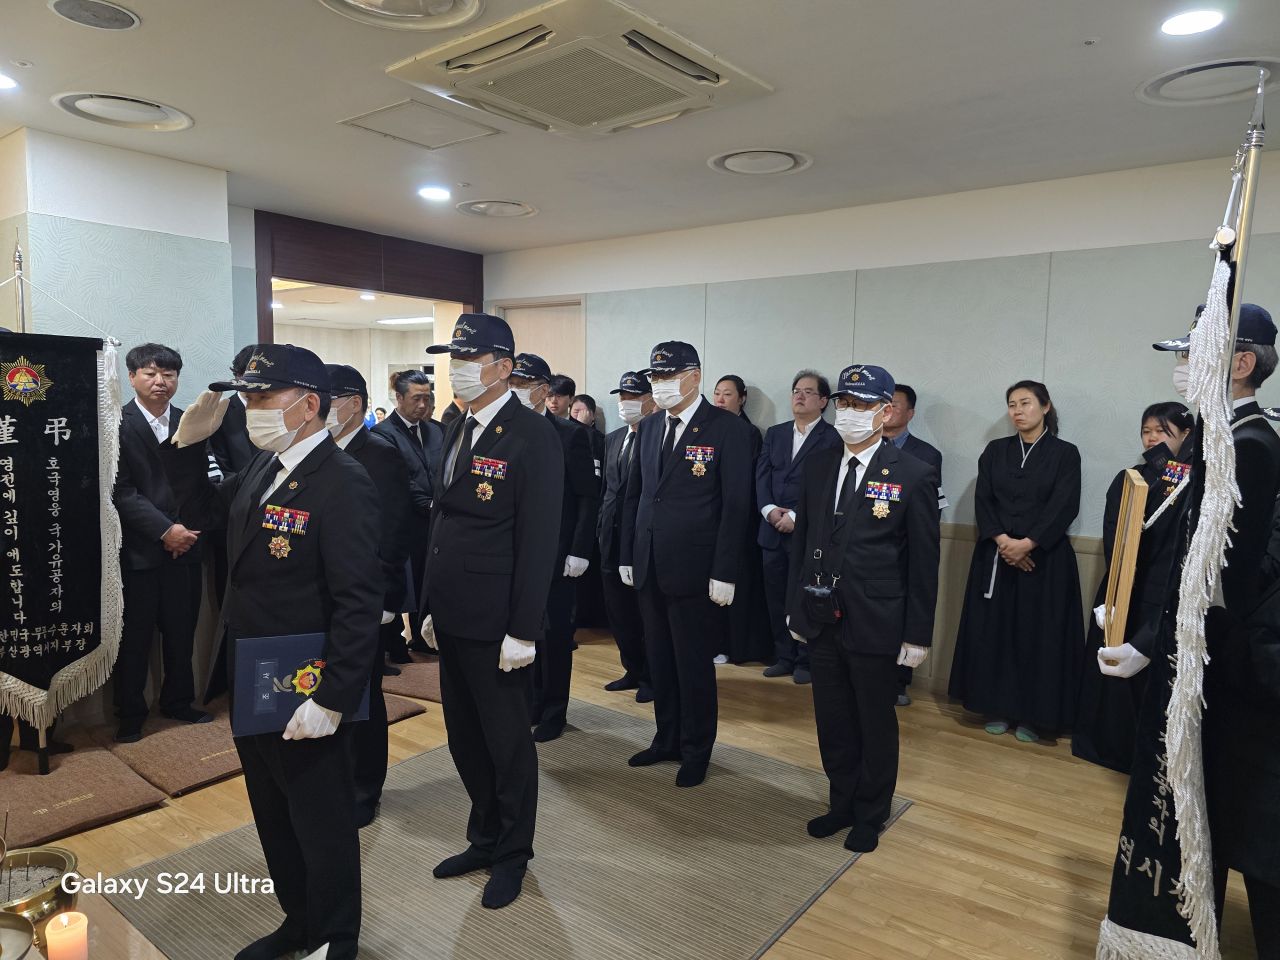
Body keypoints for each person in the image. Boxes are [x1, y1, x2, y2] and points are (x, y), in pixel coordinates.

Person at [165, 344, 382, 960]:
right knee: (273, 809)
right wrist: (186, 447)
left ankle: (336, 935)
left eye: (263, 396)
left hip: (307, 678)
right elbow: (201, 511)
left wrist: (333, 695)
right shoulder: (265, 466)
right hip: (253, 670)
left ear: (308, 405)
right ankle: (300, 919)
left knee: (320, 815)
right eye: (247, 396)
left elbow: (359, 601)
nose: (251, 408)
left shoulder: (344, 482)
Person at [418, 314, 563, 909]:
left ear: (503, 367)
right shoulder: (458, 424)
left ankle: (513, 853)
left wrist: (523, 629)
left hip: (499, 619)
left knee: (506, 743)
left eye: (468, 359)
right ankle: (483, 837)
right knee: (465, 737)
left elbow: (539, 538)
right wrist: (427, 603)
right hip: (452, 610)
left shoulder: (532, 434)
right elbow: (443, 518)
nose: (456, 369)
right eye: (452, 359)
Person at [1152, 304, 1280, 955]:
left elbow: (1229, 579)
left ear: (1241, 362)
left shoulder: (1250, 447)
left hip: (1240, 673)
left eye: (1194, 354)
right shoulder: (1218, 436)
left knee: (1249, 829)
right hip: (1217, 665)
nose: (1184, 367)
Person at [787, 364, 939, 853]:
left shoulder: (913, 473)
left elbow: (923, 562)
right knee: (832, 717)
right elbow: (803, 543)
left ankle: (871, 812)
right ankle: (841, 802)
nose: (850, 413)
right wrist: (794, 608)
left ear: (886, 411)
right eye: (844, 404)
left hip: (877, 619)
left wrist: (917, 634)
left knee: (873, 720)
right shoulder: (819, 465)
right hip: (820, 614)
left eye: (862, 405)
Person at [619, 342, 753, 788]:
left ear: (694, 377)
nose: (660, 385)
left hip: (696, 568)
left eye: (668, 376)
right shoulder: (649, 426)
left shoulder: (726, 429)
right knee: (659, 660)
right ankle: (666, 738)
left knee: (693, 664)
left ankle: (696, 750)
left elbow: (736, 504)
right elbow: (637, 496)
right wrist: (627, 554)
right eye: (655, 377)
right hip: (650, 563)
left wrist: (725, 570)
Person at [948, 380, 1082, 743]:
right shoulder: (995, 451)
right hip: (997, 554)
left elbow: (1065, 504)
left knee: (1039, 637)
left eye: (1026, 403)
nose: (1018, 411)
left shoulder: (1065, 454)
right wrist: (1004, 542)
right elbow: (984, 500)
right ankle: (997, 707)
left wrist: (1028, 544)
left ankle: (1034, 716)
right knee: (997, 634)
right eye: (1012, 404)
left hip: (1045, 560)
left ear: (1045, 407)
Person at [1072, 402, 1192, 774]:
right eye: (1146, 431)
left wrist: (1168, 469)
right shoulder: (1132, 476)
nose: (1152, 439)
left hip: (1162, 591)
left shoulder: (1191, 481)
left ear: (1186, 436)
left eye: (1162, 432)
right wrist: (1117, 582)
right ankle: (1100, 745)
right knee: (1110, 663)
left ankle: (1142, 758)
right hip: (1124, 582)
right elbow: (1114, 532)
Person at [324, 364, 413, 826]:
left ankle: (365, 788)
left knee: (364, 696)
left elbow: (394, 531)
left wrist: (385, 598)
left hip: (366, 596)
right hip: (326, 595)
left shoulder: (379, 453)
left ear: (354, 404)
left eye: (329, 398)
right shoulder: (319, 450)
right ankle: (334, 778)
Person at [112, 343, 211, 743]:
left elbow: (202, 486)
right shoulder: (116, 424)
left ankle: (178, 701)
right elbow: (120, 491)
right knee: (134, 639)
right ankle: (130, 714)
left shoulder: (192, 423)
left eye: (168, 374)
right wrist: (165, 530)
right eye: (150, 374)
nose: (160, 382)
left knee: (181, 633)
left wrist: (184, 533)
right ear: (132, 377)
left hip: (186, 549)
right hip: (140, 551)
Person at [509, 353, 600, 742]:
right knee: (524, 629)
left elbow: (587, 496)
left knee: (556, 634)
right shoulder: (506, 430)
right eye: (512, 384)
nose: (516, 391)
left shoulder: (569, 434)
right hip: (516, 551)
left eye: (523, 385)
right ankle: (530, 701)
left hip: (558, 552)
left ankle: (554, 710)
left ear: (543, 390)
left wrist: (579, 549)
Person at [758, 370, 841, 684]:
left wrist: (795, 515)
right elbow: (761, 475)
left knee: (805, 596)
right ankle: (784, 656)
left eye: (808, 392)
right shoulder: (776, 433)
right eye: (796, 391)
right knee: (775, 596)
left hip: (808, 533)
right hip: (771, 530)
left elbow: (830, 486)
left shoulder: (833, 437)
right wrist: (769, 510)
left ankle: (807, 660)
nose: (800, 396)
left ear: (823, 401)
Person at [881, 383, 946, 706]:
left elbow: (932, 509)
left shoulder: (927, 455)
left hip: (907, 549)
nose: (888, 410)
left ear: (910, 413)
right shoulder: (864, 447)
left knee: (904, 612)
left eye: (895, 404)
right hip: (869, 551)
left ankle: (899, 682)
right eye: (885, 404)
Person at [372, 370, 441, 661]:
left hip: (435, 521)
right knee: (405, 583)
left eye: (427, 398)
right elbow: (401, 480)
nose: (422, 405)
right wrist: (428, 504)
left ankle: (425, 637)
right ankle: (397, 643)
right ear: (399, 398)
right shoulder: (382, 434)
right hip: (405, 521)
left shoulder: (436, 431)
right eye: (416, 399)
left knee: (429, 581)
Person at [599, 372, 655, 702]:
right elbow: (607, 489)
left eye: (632, 397)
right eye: (622, 397)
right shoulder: (614, 438)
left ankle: (651, 676)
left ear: (649, 400)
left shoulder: (656, 436)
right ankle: (632, 669)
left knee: (643, 614)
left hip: (640, 539)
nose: (625, 403)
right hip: (610, 537)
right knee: (618, 613)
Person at [709, 374, 771, 665]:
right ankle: (713, 641)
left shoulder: (748, 433)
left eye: (728, 394)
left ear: (742, 399)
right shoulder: (706, 428)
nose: (720, 400)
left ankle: (733, 646)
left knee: (735, 584)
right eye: (717, 394)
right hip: (708, 520)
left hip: (739, 519)